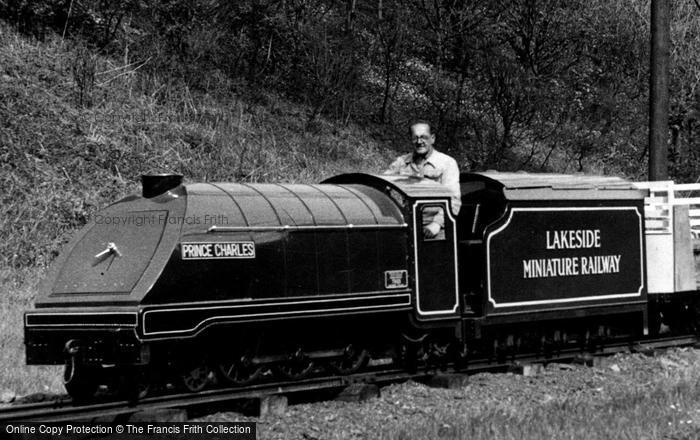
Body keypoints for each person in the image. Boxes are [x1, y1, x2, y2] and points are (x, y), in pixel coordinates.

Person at [384, 120, 461, 238]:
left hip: (436, 229)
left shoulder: (447, 163)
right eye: (415, 138)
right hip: (406, 224)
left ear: (432, 138)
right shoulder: (402, 162)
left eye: (424, 137)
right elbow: (383, 184)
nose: (419, 142)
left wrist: (437, 224)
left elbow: (454, 199)